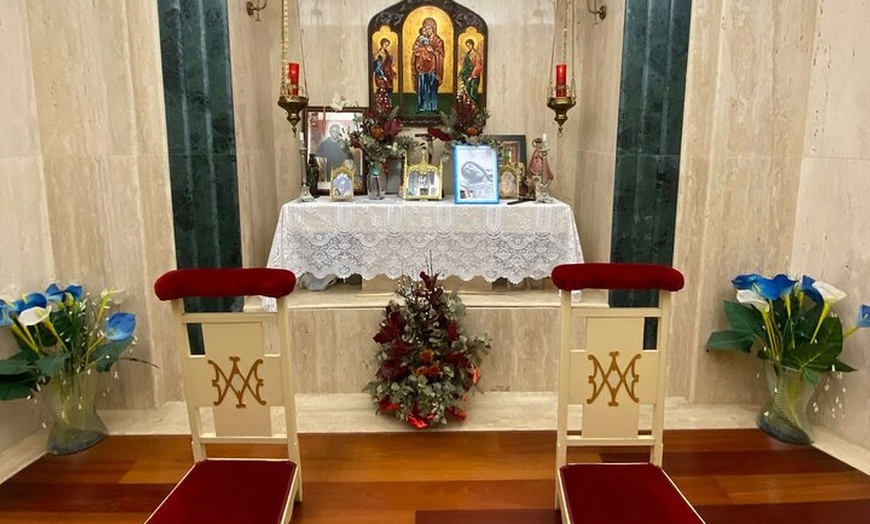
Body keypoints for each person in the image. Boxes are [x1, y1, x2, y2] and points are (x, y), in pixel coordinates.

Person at [411, 17, 445, 113]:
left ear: (433, 28)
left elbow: (441, 54)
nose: (427, 30)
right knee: (422, 87)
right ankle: (421, 107)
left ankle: (433, 107)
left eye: (429, 28)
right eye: (425, 28)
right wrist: (420, 51)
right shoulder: (420, 39)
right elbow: (415, 50)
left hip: (432, 67)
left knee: (432, 87)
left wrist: (433, 51)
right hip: (421, 67)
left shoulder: (438, 41)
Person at [457, 38, 483, 111]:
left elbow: (478, 66)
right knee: (466, 90)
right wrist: (461, 73)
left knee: (472, 92)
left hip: (474, 76)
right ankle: (467, 108)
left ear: (472, 45)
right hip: (467, 75)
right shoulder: (467, 55)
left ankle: (474, 108)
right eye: (467, 45)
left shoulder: (476, 54)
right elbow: (465, 66)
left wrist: (471, 76)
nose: (468, 47)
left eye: (469, 45)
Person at [372, 38, 396, 114]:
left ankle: (388, 106)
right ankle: (381, 108)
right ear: (382, 44)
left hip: (388, 75)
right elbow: (377, 67)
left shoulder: (387, 54)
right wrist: (382, 76)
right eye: (385, 44)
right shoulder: (378, 55)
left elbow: (389, 65)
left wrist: (393, 73)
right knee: (382, 91)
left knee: (389, 90)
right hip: (381, 76)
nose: (386, 46)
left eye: (387, 45)